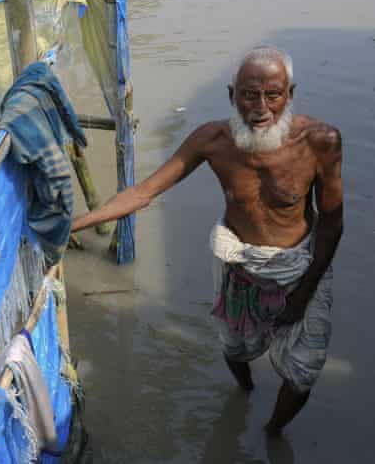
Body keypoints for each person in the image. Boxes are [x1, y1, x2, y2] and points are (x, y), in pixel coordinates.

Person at [71, 46, 343, 435]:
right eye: (249, 95)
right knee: (234, 349)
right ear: (232, 96)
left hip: (301, 265)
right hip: (239, 264)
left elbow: (332, 224)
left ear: (290, 95)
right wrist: (75, 224)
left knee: (303, 374)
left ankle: (272, 432)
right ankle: (245, 390)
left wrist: (302, 295)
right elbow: (143, 193)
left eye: (273, 95)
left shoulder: (320, 142)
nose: (261, 108)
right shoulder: (212, 140)